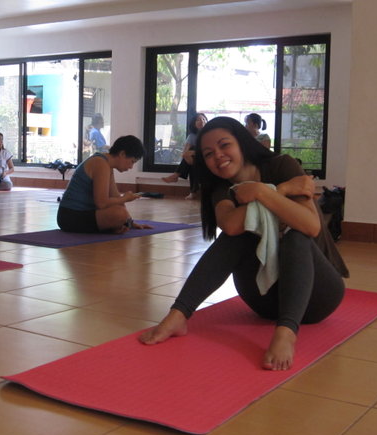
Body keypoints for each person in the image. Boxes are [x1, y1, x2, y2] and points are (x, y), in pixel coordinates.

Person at [140, 117, 348, 371]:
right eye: (208, 153)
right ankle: (179, 314)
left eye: (224, 145)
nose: (218, 155)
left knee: (295, 234)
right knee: (240, 232)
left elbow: (310, 225)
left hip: (318, 296)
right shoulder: (219, 187)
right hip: (263, 300)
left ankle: (286, 333)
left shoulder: (282, 165)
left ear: (242, 143)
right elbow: (230, 225)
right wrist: (277, 191)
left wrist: (261, 191)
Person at [57, 135, 152, 234]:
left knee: (120, 212)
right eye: (132, 161)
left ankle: (114, 227)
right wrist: (125, 198)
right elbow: (101, 203)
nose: (131, 167)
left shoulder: (107, 165)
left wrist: (129, 222)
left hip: (81, 214)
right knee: (119, 214)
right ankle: (112, 227)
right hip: (70, 217)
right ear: (122, 154)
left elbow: (115, 197)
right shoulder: (100, 163)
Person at [162, 112, 208, 199]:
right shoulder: (192, 136)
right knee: (193, 164)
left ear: (206, 121)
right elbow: (184, 153)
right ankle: (193, 191)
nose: (201, 121)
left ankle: (177, 175)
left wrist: (193, 152)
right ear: (194, 123)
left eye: (203, 119)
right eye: (198, 120)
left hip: (207, 160)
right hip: (196, 160)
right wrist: (191, 156)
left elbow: (207, 150)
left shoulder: (209, 135)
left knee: (193, 153)